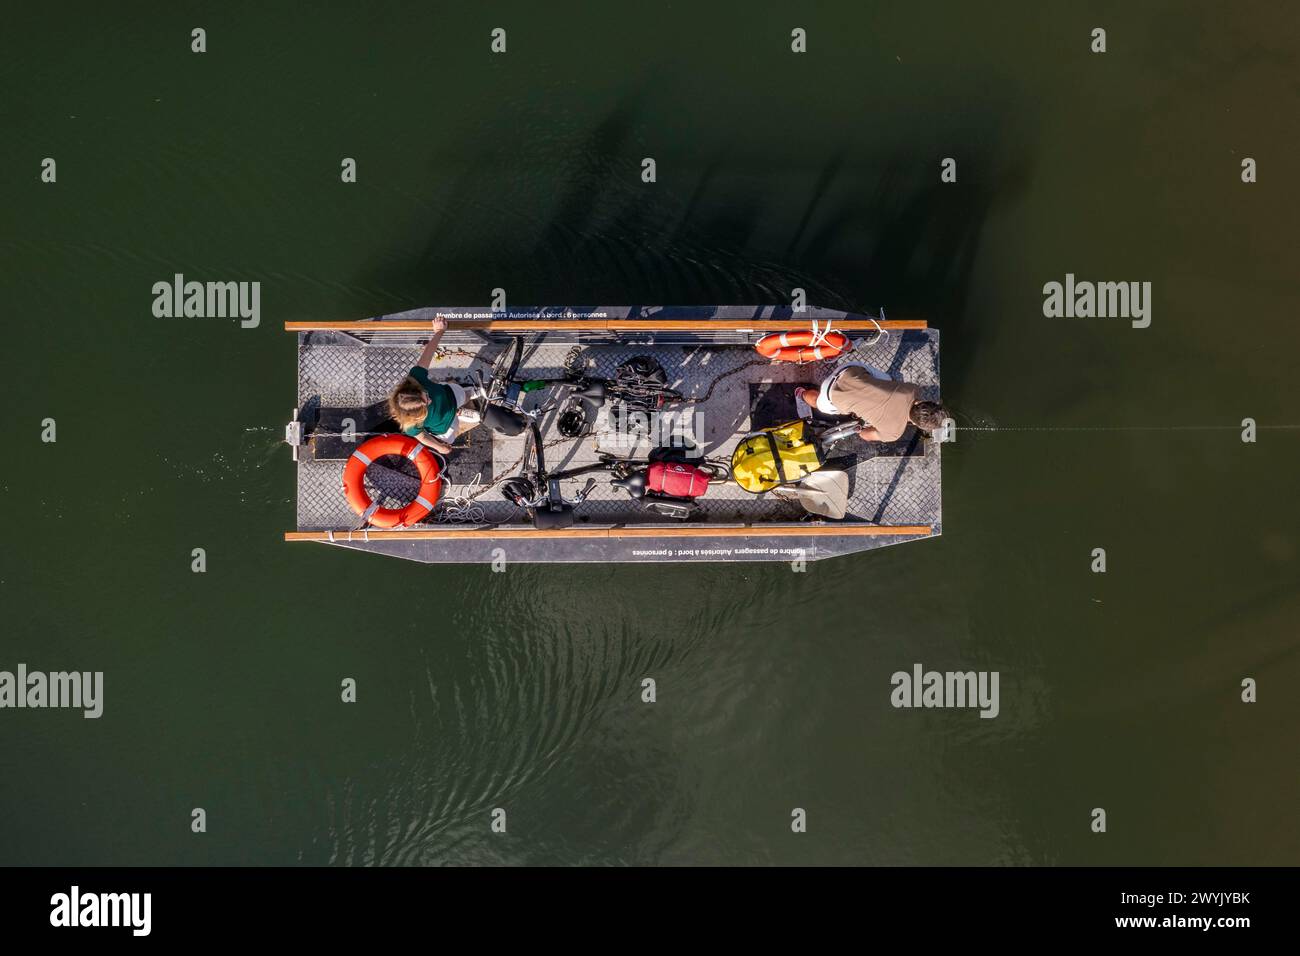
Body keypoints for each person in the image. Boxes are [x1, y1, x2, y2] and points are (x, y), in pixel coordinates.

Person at [387, 317, 478, 454]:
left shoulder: (416, 378)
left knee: (464, 395)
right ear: (416, 417)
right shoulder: (410, 426)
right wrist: (439, 447)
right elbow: (422, 437)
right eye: (426, 403)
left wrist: (439, 331)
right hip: (444, 427)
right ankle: (458, 413)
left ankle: (469, 395)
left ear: (415, 389)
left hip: (449, 395)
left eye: (426, 396)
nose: (429, 400)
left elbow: (427, 355)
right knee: (450, 438)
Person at [795, 364, 947, 442]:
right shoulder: (893, 433)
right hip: (830, 392)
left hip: (850, 369)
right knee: (818, 403)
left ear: (925, 402)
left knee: (888, 380)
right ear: (918, 424)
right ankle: (801, 394)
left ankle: (803, 392)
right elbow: (865, 435)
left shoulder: (913, 389)